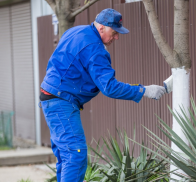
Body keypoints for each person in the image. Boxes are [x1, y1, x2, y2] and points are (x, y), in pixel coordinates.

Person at [40, 8, 172, 182]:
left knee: (66, 157)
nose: (116, 37)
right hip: (61, 102)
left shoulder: (76, 31)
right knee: (75, 155)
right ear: (101, 27)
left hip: (51, 98)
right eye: (114, 32)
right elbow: (109, 88)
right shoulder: (95, 49)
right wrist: (145, 90)